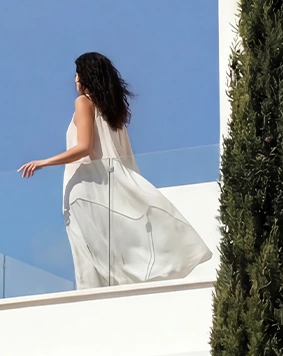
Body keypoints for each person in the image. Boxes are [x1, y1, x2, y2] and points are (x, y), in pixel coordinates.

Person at [19, 51, 211, 289]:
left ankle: (93, 309)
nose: (75, 80)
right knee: (112, 255)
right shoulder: (114, 114)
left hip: (85, 191)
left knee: (90, 259)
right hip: (106, 190)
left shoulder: (84, 103)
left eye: (77, 75)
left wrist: (43, 162)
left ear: (86, 77)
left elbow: (83, 147)